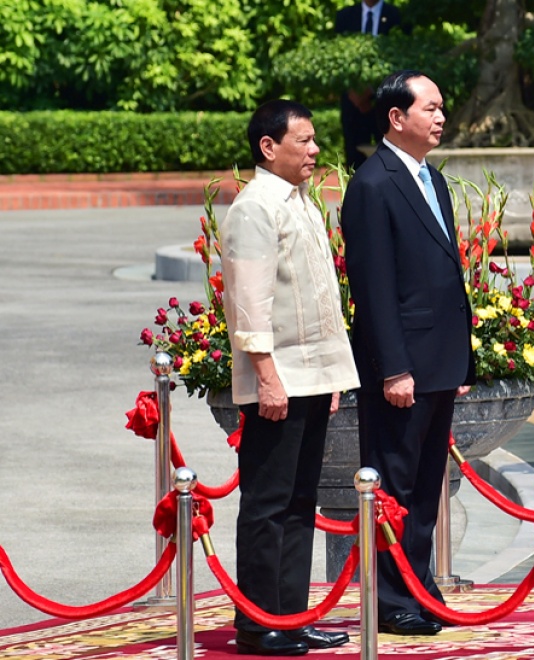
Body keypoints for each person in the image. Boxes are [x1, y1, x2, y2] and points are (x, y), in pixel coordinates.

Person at [221, 100, 360, 655]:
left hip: (310, 374)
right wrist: (268, 378)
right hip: (276, 377)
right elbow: (248, 301)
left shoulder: (298, 200)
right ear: (268, 147)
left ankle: (291, 616)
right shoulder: (256, 205)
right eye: (302, 141)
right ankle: (259, 622)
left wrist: (326, 378)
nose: (315, 150)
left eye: (315, 139)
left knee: (302, 500)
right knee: (268, 501)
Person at [340, 70, 476, 636]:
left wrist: (460, 360)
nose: (441, 117)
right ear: (397, 117)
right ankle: (392, 597)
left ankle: (419, 582)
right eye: (431, 108)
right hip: (400, 368)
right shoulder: (372, 184)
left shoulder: (432, 180)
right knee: (394, 482)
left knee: (426, 483)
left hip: (438, 360)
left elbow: (445, 275)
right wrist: (393, 367)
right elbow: (373, 288)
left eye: (443, 107)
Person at [334, 0, 404, 170]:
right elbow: (337, 57)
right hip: (353, 102)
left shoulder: (396, 16)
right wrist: (354, 91)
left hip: (385, 100)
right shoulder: (345, 17)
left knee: (390, 155)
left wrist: (373, 92)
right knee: (354, 159)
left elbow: (401, 57)